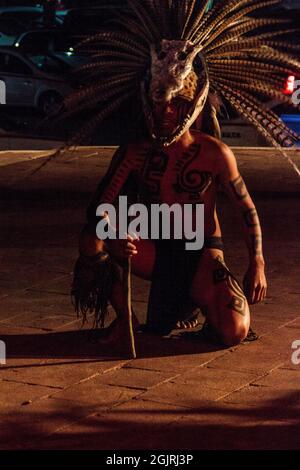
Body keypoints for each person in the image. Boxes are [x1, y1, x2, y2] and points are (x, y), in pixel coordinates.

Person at [69, 0, 298, 352]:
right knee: (93, 239)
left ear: (192, 104)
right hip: (156, 245)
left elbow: (246, 209)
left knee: (233, 330)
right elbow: (101, 208)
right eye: (160, 104)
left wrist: (258, 263)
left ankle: (200, 303)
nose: (166, 113)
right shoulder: (136, 150)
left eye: (176, 104)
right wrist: (117, 231)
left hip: (201, 251)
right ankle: (125, 318)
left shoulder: (213, 153)